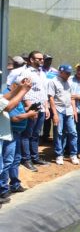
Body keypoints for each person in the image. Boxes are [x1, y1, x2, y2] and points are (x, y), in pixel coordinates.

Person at [0, 77, 33, 207]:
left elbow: (4, 98)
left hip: (4, 135)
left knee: (5, 164)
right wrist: (23, 91)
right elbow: (8, 107)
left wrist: (20, 88)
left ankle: (3, 190)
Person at [21, 51, 50, 170]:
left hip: (42, 107)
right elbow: (24, 91)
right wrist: (29, 109)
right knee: (27, 134)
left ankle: (35, 157)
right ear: (31, 60)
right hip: (32, 108)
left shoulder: (42, 73)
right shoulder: (26, 72)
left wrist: (46, 107)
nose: (42, 60)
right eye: (39, 59)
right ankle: (26, 159)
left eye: (42, 59)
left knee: (36, 134)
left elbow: (43, 91)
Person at [48, 64, 78, 165]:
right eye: (67, 73)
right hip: (58, 109)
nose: (69, 75)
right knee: (59, 133)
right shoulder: (53, 82)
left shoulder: (70, 82)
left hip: (69, 110)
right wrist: (55, 114)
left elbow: (72, 97)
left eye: (70, 73)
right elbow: (51, 98)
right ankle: (59, 155)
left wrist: (74, 111)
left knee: (73, 132)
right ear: (61, 72)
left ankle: (73, 154)